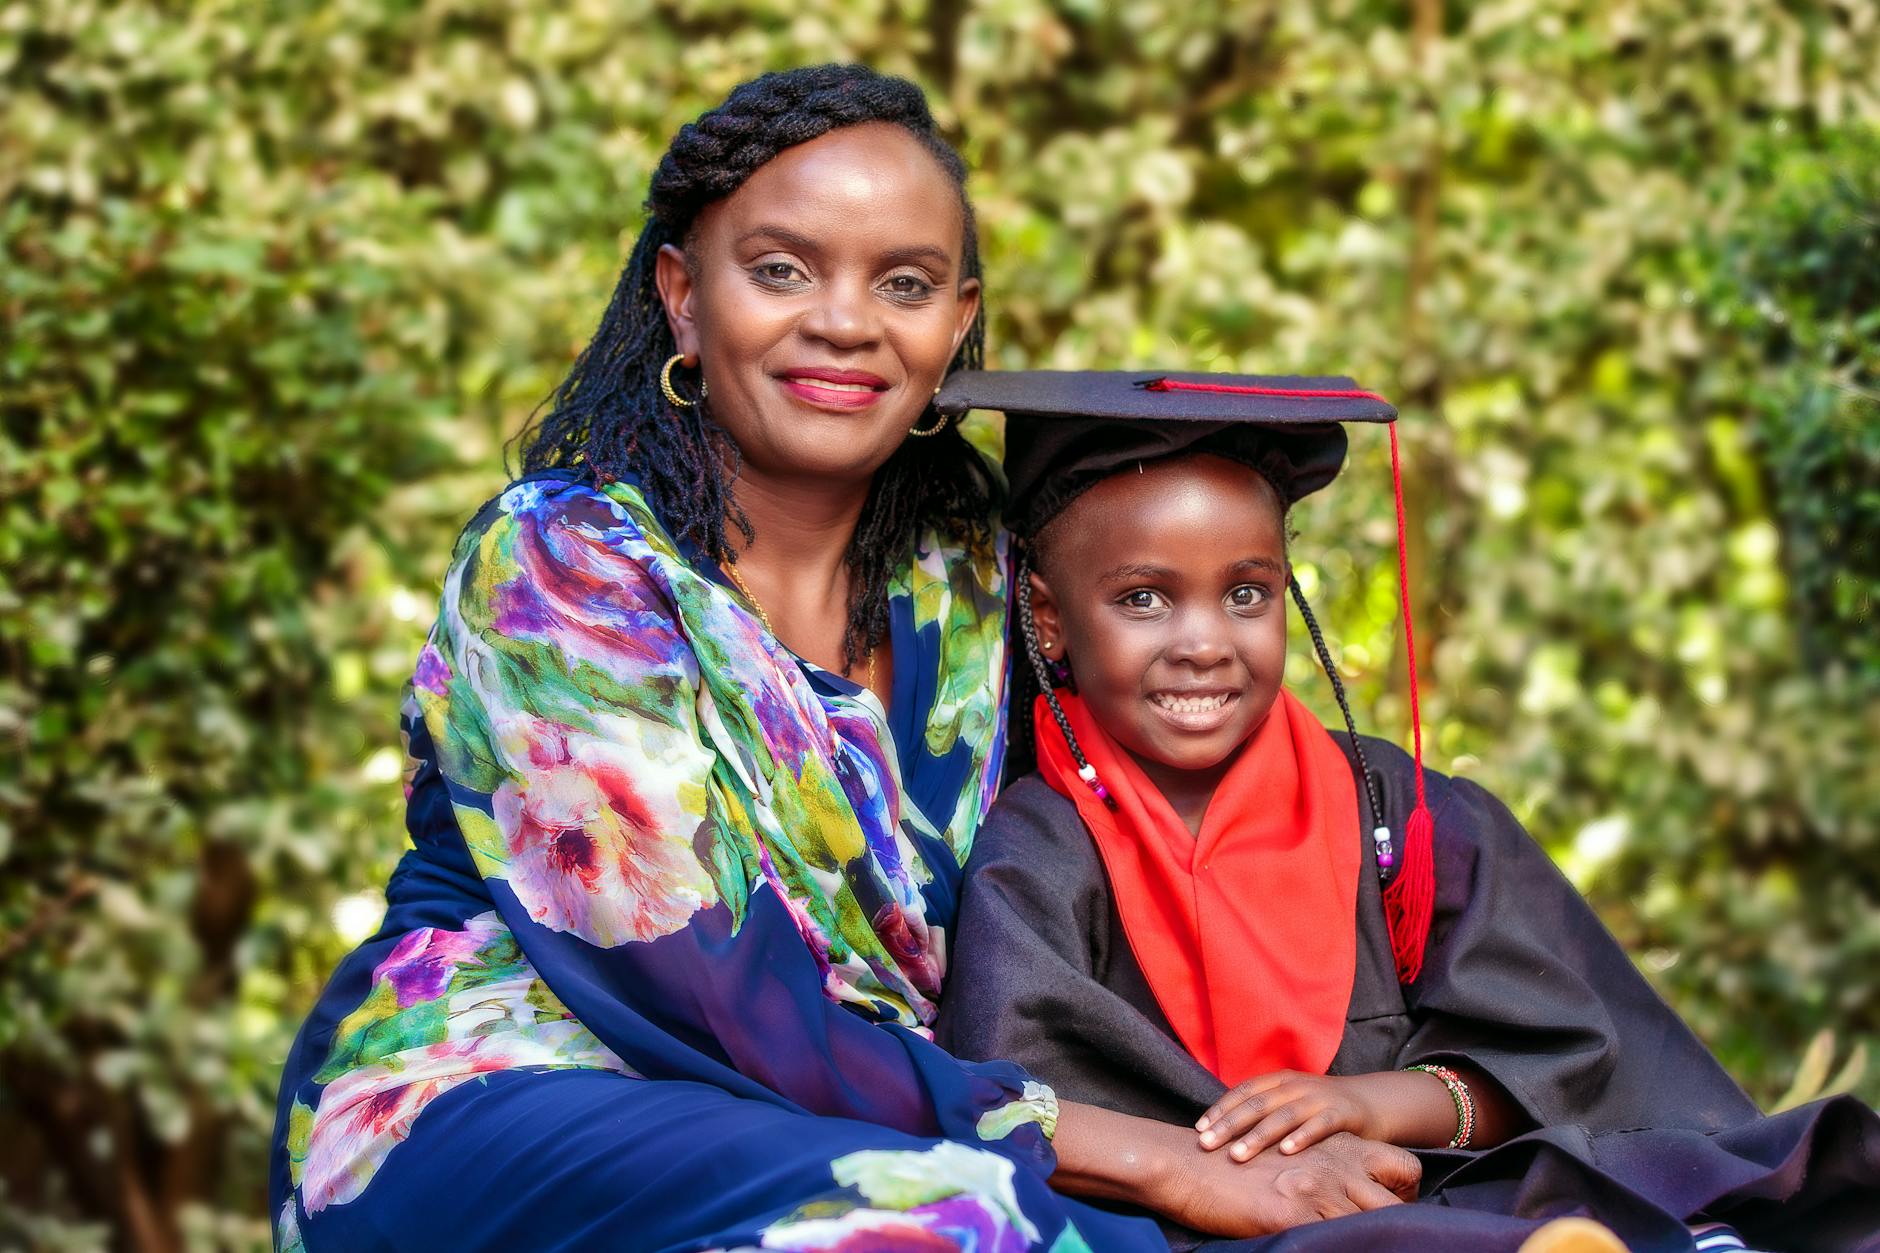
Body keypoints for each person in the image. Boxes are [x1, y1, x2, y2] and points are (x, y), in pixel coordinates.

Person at [268, 69, 1424, 1253]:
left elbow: (1136, 809)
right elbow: (715, 998)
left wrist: (1379, 1075)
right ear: (681, 293)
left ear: (956, 320)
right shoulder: (564, 565)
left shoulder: (969, 574)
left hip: (887, 1106)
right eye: (780, 269)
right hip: (519, 1090)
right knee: (986, 1221)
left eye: (905, 283)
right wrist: (1137, 1150)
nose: (844, 320)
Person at [932, 368, 1880, 1252]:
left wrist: (1369, 1104)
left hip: (1436, 1185)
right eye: (1144, 598)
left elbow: (1565, 1060)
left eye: (1247, 593)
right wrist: (1270, 1160)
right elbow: (1026, 1094)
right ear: (1049, 615)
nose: (1204, 643)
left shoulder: (1397, 808)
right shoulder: (1042, 845)